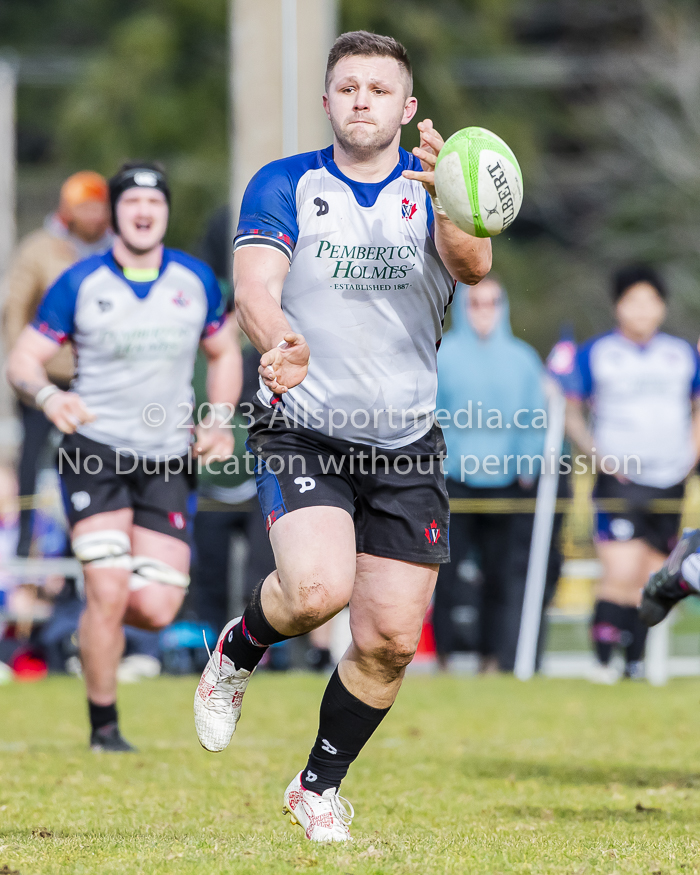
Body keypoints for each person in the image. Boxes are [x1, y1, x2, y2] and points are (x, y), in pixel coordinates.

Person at [193, 30, 491, 841]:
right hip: (305, 426)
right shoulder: (284, 182)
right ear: (328, 101)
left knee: (391, 640)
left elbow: (470, 269)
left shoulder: (438, 186)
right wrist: (277, 338)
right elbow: (255, 282)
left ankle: (316, 784)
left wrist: (455, 199)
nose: (363, 100)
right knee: (317, 591)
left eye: (379, 89)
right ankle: (238, 648)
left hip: (407, 440)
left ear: (407, 106)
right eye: (349, 87)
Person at [7, 161, 241, 750]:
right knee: (109, 589)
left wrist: (217, 419)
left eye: (154, 205)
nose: (143, 213)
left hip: (166, 459)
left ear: (165, 213)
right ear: (114, 214)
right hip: (95, 454)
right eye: (131, 204)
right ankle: (104, 728)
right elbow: (23, 360)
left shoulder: (194, 281)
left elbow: (223, 351)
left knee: (159, 608)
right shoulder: (80, 282)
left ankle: (95, 616)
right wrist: (49, 396)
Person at [566, 265, 700, 683]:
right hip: (620, 480)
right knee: (620, 572)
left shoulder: (682, 355)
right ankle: (603, 660)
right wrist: (596, 453)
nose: (642, 310)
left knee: (652, 576)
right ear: (618, 306)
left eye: (650, 301)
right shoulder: (598, 352)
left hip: (670, 478)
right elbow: (570, 407)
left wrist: (692, 452)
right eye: (633, 300)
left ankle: (636, 664)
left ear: (661, 307)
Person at [432, 278, 548, 672]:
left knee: (501, 575)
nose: (484, 310)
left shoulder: (524, 359)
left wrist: (527, 466)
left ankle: (493, 658)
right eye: (476, 302)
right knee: (444, 572)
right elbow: (432, 414)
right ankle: (445, 657)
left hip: (509, 482)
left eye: (492, 302)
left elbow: (535, 419)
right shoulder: (442, 353)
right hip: (455, 480)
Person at [1, 172, 113, 556]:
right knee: (32, 456)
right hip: (46, 374)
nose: (94, 215)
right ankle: (23, 535)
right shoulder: (40, 250)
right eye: (85, 206)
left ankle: (77, 539)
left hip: (93, 378)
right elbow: (16, 307)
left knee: (84, 461)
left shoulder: (119, 249)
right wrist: (22, 362)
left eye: (100, 206)